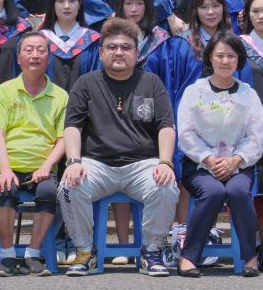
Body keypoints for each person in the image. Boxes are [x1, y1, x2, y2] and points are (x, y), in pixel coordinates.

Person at [58, 18, 179, 276]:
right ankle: (84, 251)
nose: (119, 52)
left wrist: (165, 162)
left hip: (142, 165)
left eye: (126, 47)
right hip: (97, 165)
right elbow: (72, 127)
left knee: (167, 185)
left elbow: (166, 126)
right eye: (112, 47)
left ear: (136, 52)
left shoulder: (152, 83)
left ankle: (152, 251)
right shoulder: (86, 84)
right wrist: (73, 161)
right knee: (68, 186)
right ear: (101, 52)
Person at [174, 34, 263, 277]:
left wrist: (235, 161)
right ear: (210, 58)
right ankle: (188, 257)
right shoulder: (195, 92)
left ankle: (251, 256)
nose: (225, 61)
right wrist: (208, 159)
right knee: (213, 192)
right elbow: (186, 134)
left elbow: (255, 136)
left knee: (238, 192)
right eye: (220, 55)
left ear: (239, 59)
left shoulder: (248, 94)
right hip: (200, 165)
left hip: (239, 164)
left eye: (231, 56)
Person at [0, 31, 67, 276]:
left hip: (42, 168)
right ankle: (7, 255)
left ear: (48, 58)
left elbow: (63, 139)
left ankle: (33, 253)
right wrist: (5, 169)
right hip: (8, 164)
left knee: (48, 191)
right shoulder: (5, 90)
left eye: (41, 50)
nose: (35, 55)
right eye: (28, 50)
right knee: (6, 188)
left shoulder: (60, 95)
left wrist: (46, 166)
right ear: (19, 58)